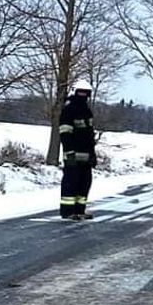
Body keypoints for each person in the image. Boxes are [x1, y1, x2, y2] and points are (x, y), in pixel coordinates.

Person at [58, 78, 97, 220]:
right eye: (81, 93)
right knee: (71, 183)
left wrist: (93, 155)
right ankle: (68, 211)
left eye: (86, 93)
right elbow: (65, 133)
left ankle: (80, 210)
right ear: (75, 92)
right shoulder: (68, 110)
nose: (83, 96)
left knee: (84, 183)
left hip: (86, 155)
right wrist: (69, 152)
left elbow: (89, 136)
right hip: (73, 155)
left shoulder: (87, 112)